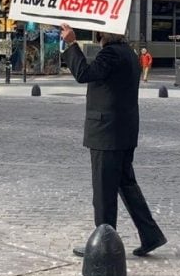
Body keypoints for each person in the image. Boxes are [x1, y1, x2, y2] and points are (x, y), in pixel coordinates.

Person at [60, 23, 166, 257]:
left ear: (101, 34)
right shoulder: (128, 53)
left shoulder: (111, 54)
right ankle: (151, 235)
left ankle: (103, 246)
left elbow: (84, 74)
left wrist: (71, 44)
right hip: (123, 131)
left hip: (107, 133)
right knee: (126, 186)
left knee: (104, 191)